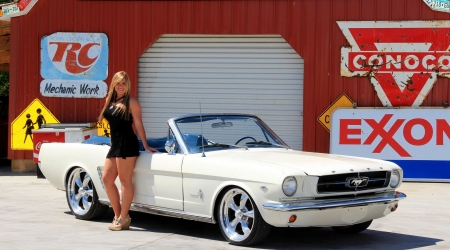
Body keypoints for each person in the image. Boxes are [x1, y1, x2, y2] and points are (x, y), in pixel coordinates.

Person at [98, 71, 158, 231]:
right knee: (106, 178)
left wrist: (145, 145)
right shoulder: (109, 101)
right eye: (118, 83)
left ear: (128, 85)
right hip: (114, 144)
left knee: (125, 181)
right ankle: (118, 216)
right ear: (113, 84)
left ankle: (124, 217)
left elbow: (138, 124)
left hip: (127, 144)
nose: (121, 86)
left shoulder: (132, 103)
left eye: (124, 83)